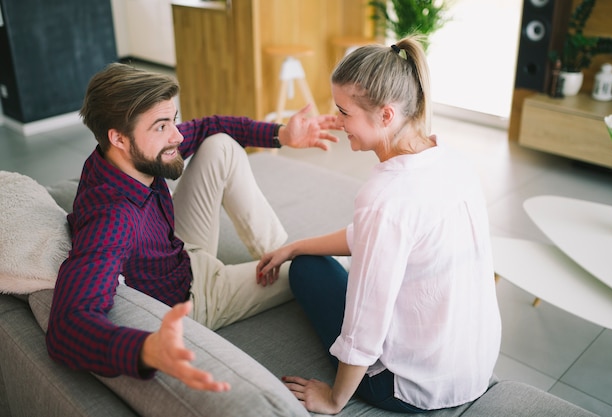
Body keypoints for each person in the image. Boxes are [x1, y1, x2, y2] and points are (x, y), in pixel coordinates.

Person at [46, 62, 339, 392]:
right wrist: (145, 349)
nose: (178, 135)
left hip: (177, 250)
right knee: (317, 264)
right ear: (119, 138)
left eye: (173, 120)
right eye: (161, 127)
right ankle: (291, 261)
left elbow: (208, 127)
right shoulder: (111, 219)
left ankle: (277, 252)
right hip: (194, 296)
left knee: (220, 144)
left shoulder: (123, 156)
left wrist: (281, 134)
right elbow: (67, 327)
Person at [256, 36, 502, 414]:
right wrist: (295, 244)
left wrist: (335, 398)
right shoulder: (453, 161)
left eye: (344, 112)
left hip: (409, 388)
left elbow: (365, 318)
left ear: (386, 115)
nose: (338, 122)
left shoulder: (385, 194)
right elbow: (380, 239)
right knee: (304, 255)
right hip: (474, 370)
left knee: (306, 271)